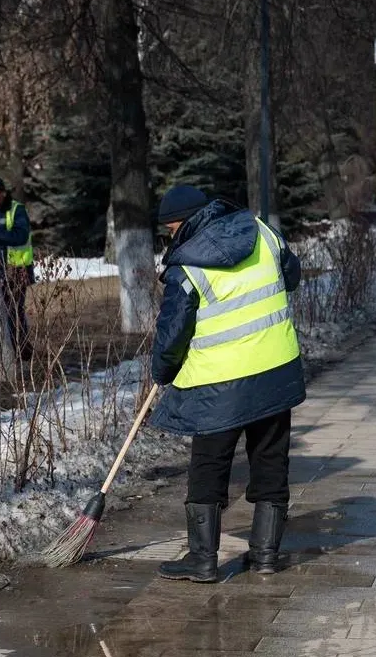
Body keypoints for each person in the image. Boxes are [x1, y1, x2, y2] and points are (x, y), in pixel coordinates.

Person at [150, 185, 305, 583]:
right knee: (271, 460)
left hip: (218, 384)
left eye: (170, 229)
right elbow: (292, 276)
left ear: (181, 223)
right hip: (275, 370)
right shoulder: (263, 233)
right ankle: (266, 555)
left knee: (209, 465)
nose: (170, 237)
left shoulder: (187, 266)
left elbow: (172, 334)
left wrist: (162, 371)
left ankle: (202, 559)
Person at [0, 176, 35, 361]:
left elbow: (21, 236)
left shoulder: (16, 209)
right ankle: (14, 349)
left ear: (3, 194)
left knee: (14, 311)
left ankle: (22, 350)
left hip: (17, 270)